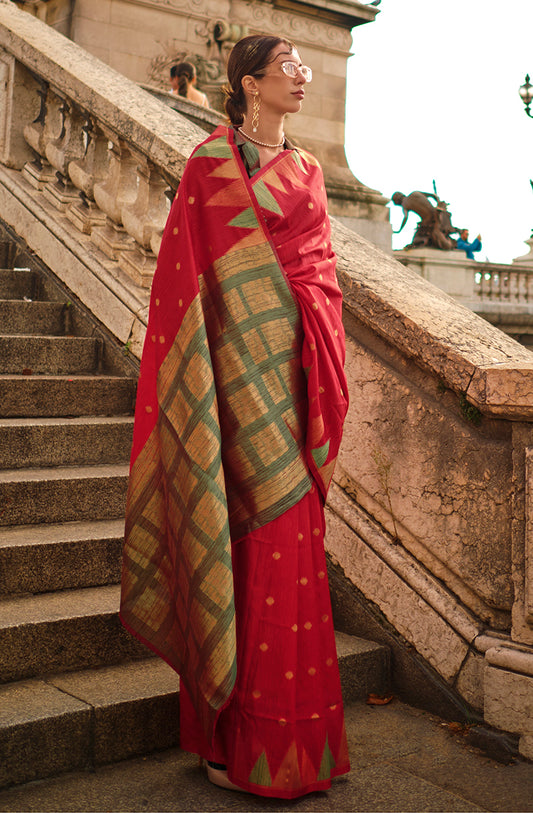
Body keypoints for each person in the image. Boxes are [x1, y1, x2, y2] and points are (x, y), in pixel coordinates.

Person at [121, 34, 349, 799]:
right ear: (250, 82)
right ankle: (227, 738)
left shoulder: (311, 172)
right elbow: (181, 286)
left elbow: (320, 272)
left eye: (304, 65)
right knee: (229, 545)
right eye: (288, 66)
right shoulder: (208, 166)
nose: (303, 75)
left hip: (288, 384)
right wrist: (212, 369)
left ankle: (289, 747)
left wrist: (294, 318)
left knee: (286, 550)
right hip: (219, 387)